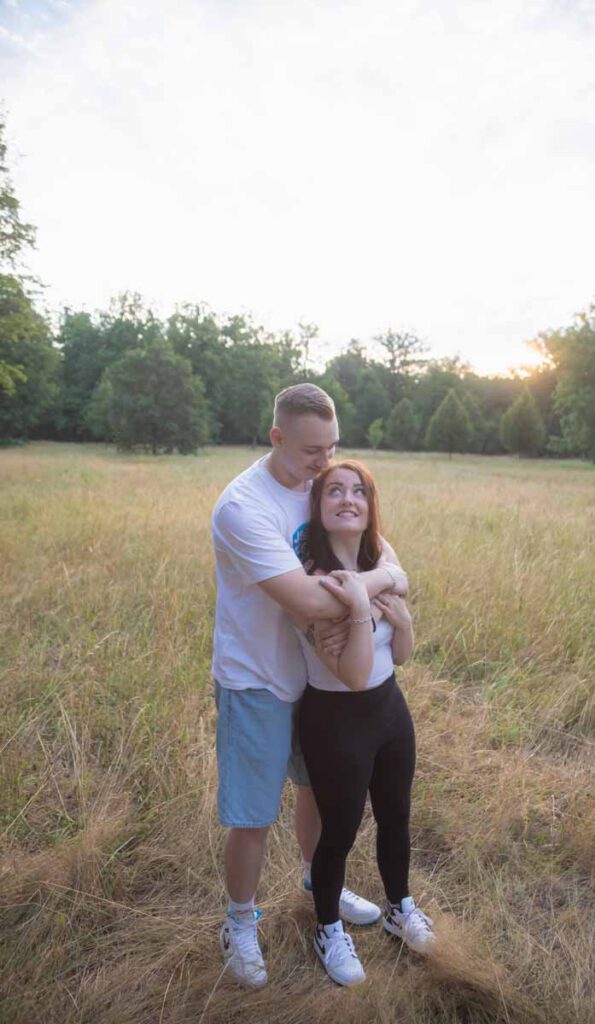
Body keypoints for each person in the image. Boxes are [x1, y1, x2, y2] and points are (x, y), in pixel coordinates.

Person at [211, 384, 408, 989]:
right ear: (276, 438)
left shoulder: (317, 488)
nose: (324, 465)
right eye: (310, 452)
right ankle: (239, 922)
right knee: (252, 813)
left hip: (320, 684)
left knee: (315, 793)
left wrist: (365, 596)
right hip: (260, 679)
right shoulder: (244, 507)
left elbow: (386, 566)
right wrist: (371, 599)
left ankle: (315, 880)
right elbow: (304, 598)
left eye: (332, 449)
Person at [295, 460, 435, 987]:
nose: (348, 499)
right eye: (335, 491)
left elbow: (400, 654)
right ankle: (328, 929)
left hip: (390, 711)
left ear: (371, 504)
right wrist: (363, 603)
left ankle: (400, 908)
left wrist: (397, 617)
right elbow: (353, 674)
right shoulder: (310, 579)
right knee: (340, 833)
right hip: (335, 720)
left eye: (359, 491)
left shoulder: (382, 551)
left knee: (397, 815)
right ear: (319, 505)